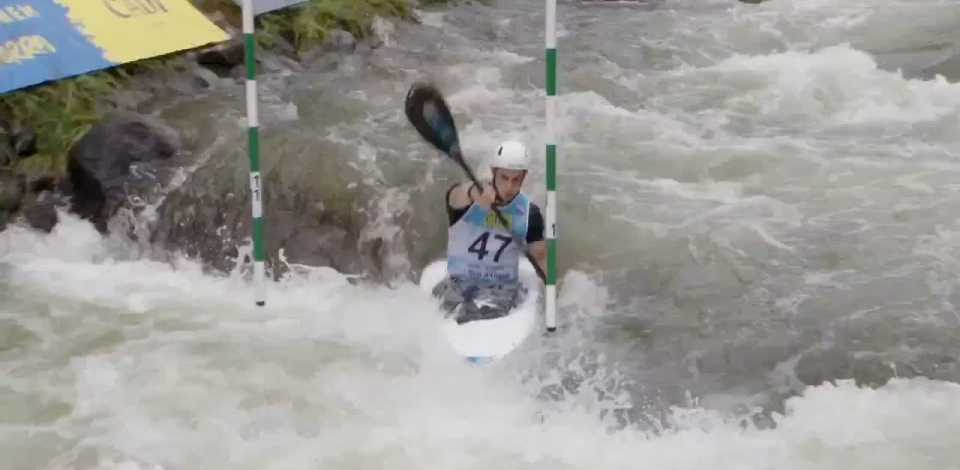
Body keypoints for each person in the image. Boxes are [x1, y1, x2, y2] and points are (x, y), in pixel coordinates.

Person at [432, 140, 547, 323]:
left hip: (501, 288)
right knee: (450, 305)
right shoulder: (468, 199)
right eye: (504, 177)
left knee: (487, 312)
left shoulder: (529, 213)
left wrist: (553, 289)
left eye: (516, 179)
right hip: (458, 281)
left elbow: (540, 256)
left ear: (524, 177)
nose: (509, 186)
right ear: (493, 172)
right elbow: (454, 196)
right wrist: (473, 193)